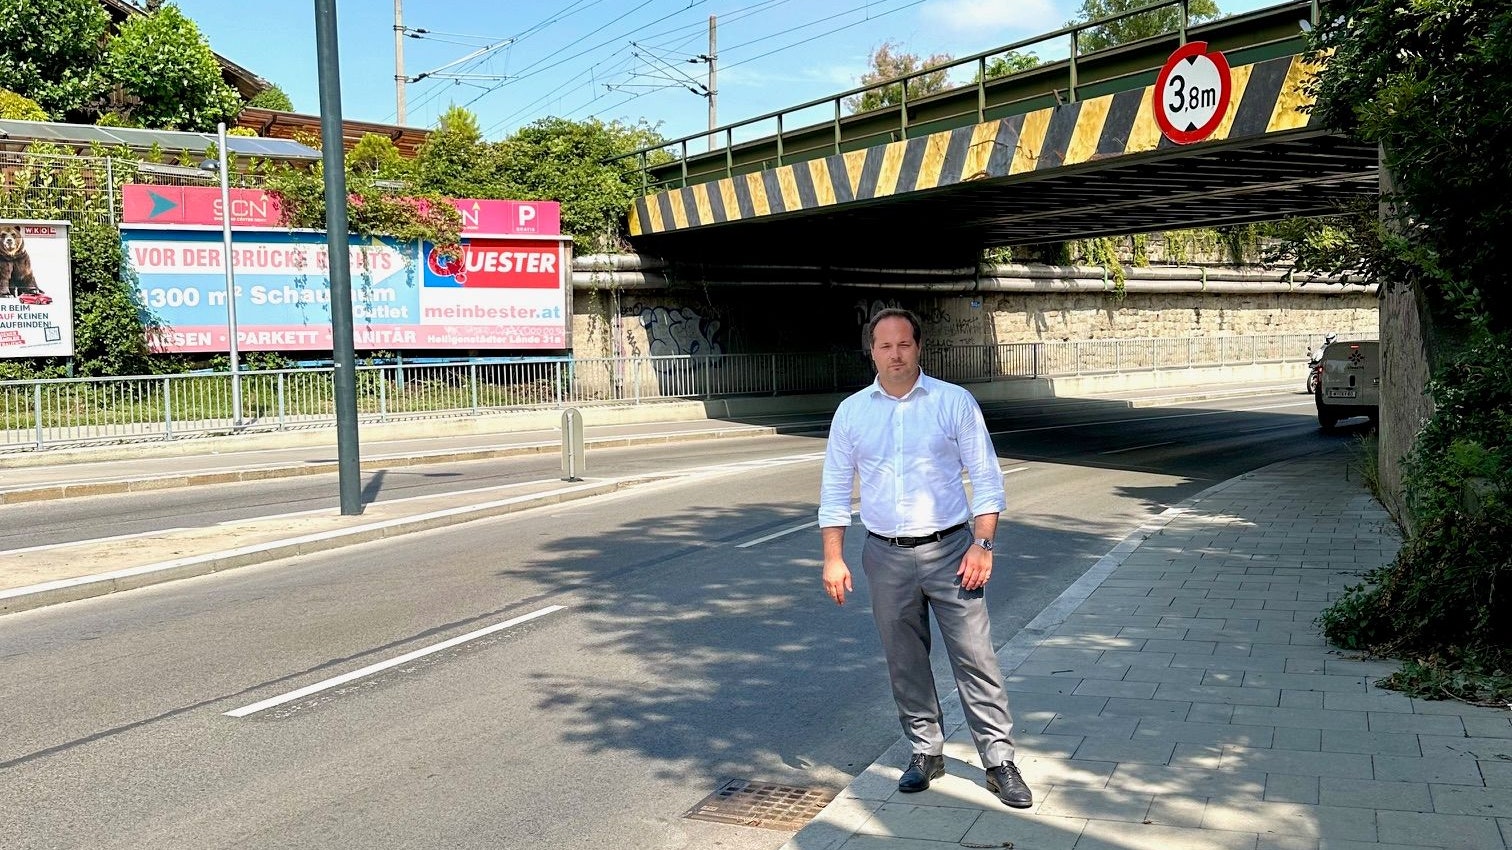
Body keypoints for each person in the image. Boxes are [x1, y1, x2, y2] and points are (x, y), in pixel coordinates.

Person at [817, 308, 1032, 809]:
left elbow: (986, 479)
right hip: (884, 553)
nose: (896, 355)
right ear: (872, 351)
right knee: (904, 661)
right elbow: (833, 492)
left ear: (918, 347)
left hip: (954, 550)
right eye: (885, 346)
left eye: (904, 345)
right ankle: (925, 750)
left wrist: (983, 544)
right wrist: (834, 557)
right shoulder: (852, 412)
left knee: (975, 658)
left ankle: (998, 760)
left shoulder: (953, 402)